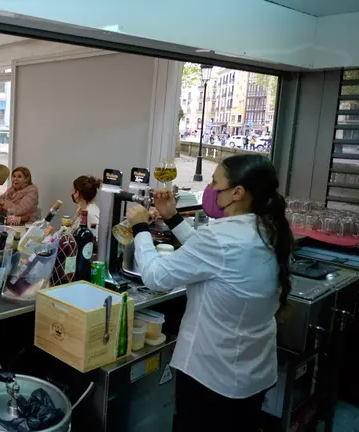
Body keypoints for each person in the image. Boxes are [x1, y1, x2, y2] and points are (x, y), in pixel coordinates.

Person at [125, 154, 292, 432]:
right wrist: (172, 217)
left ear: (237, 192)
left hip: (213, 378)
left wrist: (140, 227)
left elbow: (156, 277)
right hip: (254, 373)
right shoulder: (268, 229)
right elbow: (212, 258)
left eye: (216, 183)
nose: (211, 189)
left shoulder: (221, 238)